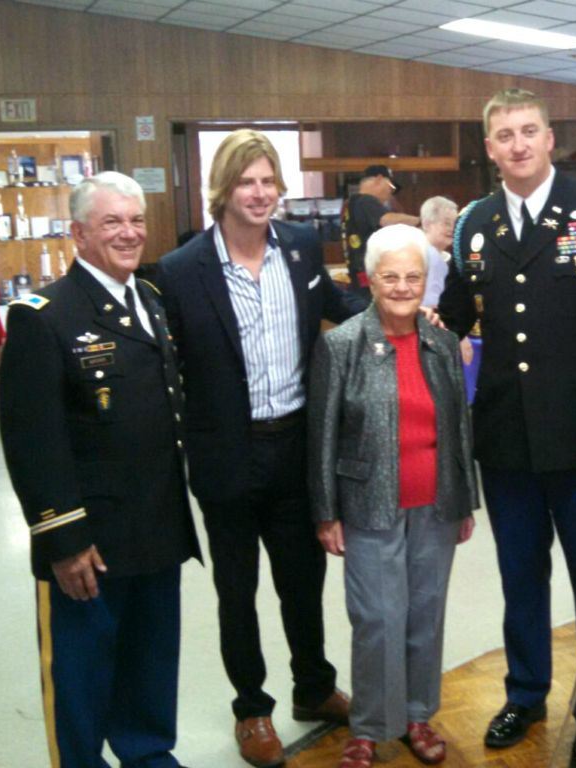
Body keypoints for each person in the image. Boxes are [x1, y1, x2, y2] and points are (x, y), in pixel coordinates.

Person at [156, 129, 366, 768]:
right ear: (223, 189)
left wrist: (398, 306)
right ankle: (252, 708)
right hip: (228, 457)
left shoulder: (301, 249)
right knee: (238, 592)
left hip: (295, 448)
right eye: (247, 181)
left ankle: (314, 687)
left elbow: (342, 306)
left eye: (269, 181)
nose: (259, 193)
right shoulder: (180, 271)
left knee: (303, 583)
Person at [439, 89, 576, 768]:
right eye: (504, 135)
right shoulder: (475, 223)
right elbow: (455, 313)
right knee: (521, 576)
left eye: (529, 132)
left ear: (551, 141)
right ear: (490, 149)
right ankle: (525, 692)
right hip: (507, 436)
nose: (517, 144)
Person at [0, 172, 200, 768]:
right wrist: (63, 538)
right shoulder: (46, 316)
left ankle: (146, 754)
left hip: (158, 525)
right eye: (112, 222)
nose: (128, 233)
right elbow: (32, 440)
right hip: (92, 541)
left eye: (136, 221)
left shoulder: (152, 301)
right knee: (84, 671)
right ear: (79, 233)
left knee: (151, 657)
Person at [309, 224, 478, 768]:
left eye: (413, 277)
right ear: (369, 281)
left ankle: (416, 715)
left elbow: (459, 427)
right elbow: (323, 434)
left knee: (424, 614)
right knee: (378, 618)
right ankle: (367, 727)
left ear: (425, 282)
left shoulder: (443, 342)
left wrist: (466, 499)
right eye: (391, 277)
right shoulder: (341, 344)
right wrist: (326, 511)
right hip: (368, 504)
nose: (403, 287)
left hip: (436, 500)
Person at [341, 165, 420, 299]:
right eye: (390, 187)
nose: (390, 192)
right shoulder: (366, 200)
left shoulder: (351, 203)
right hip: (367, 280)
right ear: (379, 179)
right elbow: (387, 220)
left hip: (356, 277)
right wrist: (422, 220)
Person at [419, 195, 457, 307]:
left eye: (455, 224)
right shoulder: (417, 255)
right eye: (446, 223)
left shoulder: (446, 257)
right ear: (426, 224)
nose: (452, 229)